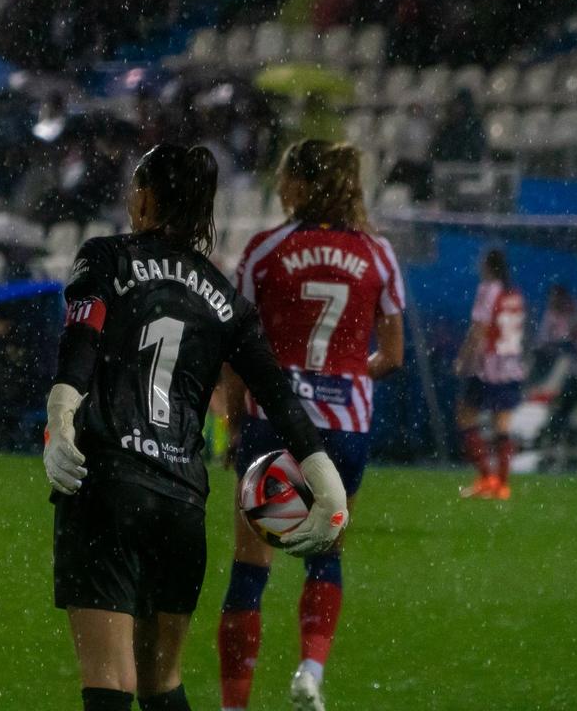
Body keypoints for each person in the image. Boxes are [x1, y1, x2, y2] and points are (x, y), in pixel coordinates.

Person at [43, 144, 350, 711]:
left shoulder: (106, 257)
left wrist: (60, 417)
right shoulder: (227, 301)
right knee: (162, 682)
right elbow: (276, 394)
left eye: (136, 186)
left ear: (147, 198)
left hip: (108, 484)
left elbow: (81, 344)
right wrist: (324, 477)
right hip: (180, 498)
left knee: (110, 678)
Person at [217, 140, 406, 711]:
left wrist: (233, 424)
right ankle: (310, 672)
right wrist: (347, 376)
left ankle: (234, 705)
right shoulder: (378, 254)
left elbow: (236, 352)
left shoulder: (266, 250)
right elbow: (393, 355)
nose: (279, 188)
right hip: (345, 428)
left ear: (301, 184)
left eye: (284, 178)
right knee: (326, 554)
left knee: (250, 569)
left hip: (275, 423)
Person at [455, 249, 526, 500]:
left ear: (487, 265)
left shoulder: (489, 289)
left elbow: (480, 328)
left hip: (488, 366)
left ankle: (487, 477)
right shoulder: (513, 292)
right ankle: (502, 484)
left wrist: (464, 358)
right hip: (511, 365)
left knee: (465, 416)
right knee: (502, 425)